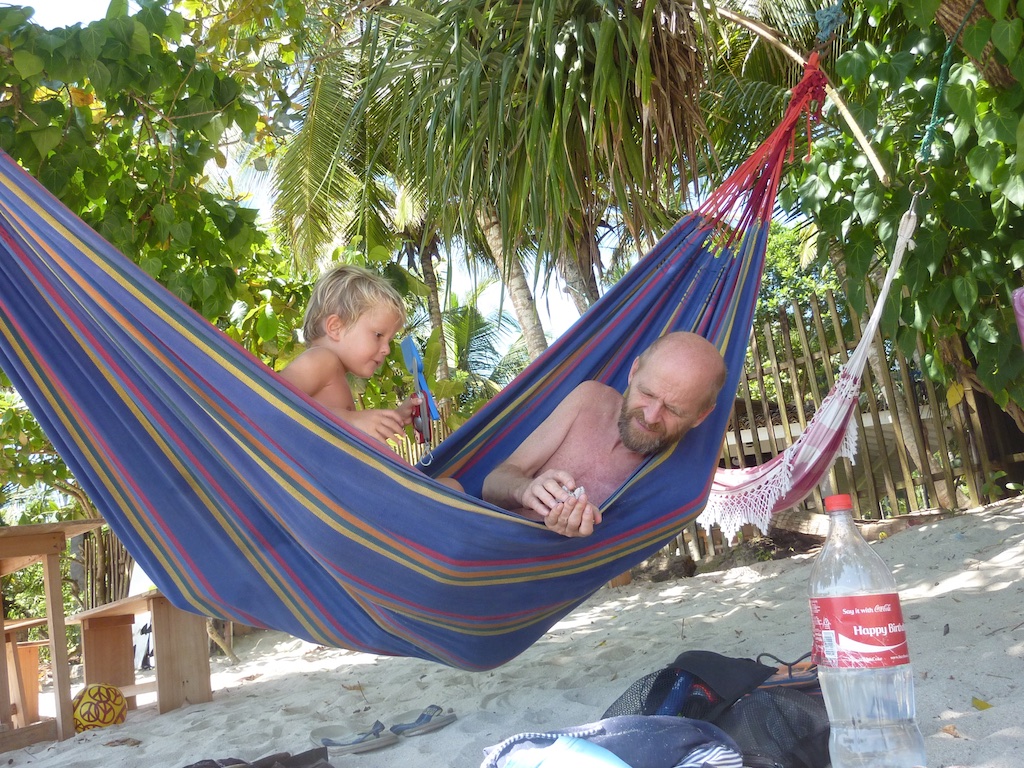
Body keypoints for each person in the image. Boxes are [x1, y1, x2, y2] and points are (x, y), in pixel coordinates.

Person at [482, 332, 726, 538]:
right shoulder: (589, 400)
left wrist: (572, 541)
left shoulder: (674, 483)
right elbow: (493, 484)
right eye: (647, 394)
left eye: (673, 410)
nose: (651, 416)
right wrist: (523, 490)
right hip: (481, 536)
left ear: (700, 417)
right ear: (633, 372)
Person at [280, 265, 463, 493]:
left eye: (389, 340)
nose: (386, 349)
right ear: (335, 328)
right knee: (453, 490)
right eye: (378, 335)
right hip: (335, 498)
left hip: (350, 493)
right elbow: (270, 401)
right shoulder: (321, 359)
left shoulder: (335, 376)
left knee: (451, 488)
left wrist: (397, 417)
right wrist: (349, 420)